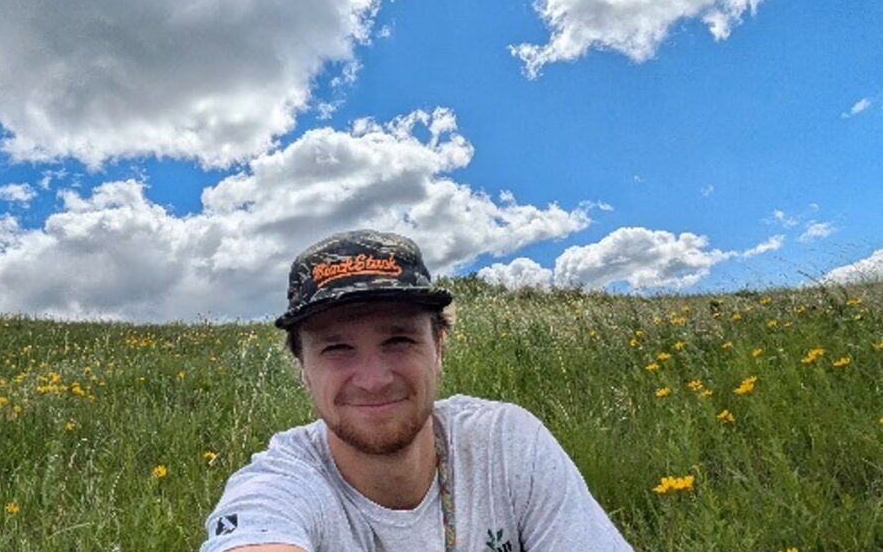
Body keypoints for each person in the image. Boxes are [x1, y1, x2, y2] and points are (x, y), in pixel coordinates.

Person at [199, 230, 633, 552]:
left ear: (438, 348)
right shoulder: (278, 486)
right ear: (303, 369)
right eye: (336, 348)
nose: (373, 379)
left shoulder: (505, 443)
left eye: (399, 341)